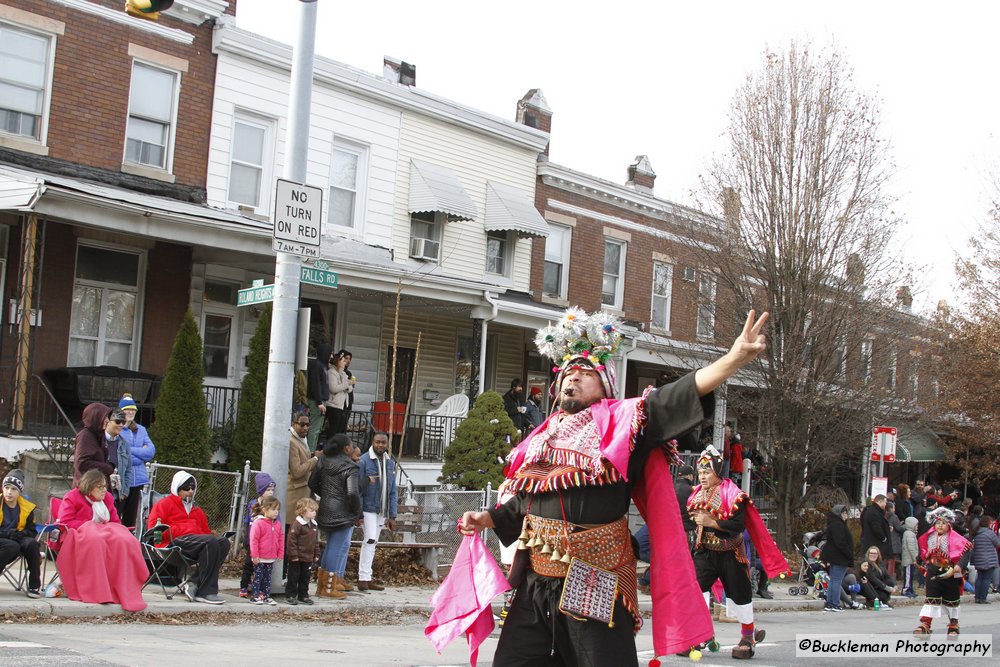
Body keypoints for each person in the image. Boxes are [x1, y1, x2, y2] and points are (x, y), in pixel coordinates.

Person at [458, 308, 771, 664]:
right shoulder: (542, 436)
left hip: (594, 575)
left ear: (604, 384)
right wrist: (489, 518)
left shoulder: (624, 424)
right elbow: (529, 500)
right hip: (537, 578)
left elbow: (674, 397)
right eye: (567, 375)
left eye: (583, 374)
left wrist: (732, 359)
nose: (571, 381)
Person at [686, 445, 785, 658]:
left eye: (707, 472)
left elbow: (738, 525)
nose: (702, 477)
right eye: (701, 472)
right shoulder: (696, 494)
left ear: (718, 472)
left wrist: (712, 521)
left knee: (739, 595)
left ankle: (748, 635)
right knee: (694, 590)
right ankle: (700, 633)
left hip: (731, 552)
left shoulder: (733, 495)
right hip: (705, 552)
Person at [56, 469, 148, 611]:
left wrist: (105, 529)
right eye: (100, 487)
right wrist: (91, 526)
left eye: (105, 486)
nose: (104, 490)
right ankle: (97, 589)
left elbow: (115, 522)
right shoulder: (72, 497)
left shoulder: (108, 498)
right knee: (96, 539)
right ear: (89, 485)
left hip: (105, 533)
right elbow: (65, 522)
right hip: (78, 535)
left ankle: (120, 588)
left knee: (125, 540)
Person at [147, 471, 231, 605]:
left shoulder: (197, 510)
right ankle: (206, 592)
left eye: (193, 488)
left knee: (223, 542)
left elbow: (206, 532)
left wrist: (201, 535)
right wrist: (184, 530)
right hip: (171, 543)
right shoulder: (164, 504)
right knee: (210, 541)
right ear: (177, 488)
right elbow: (153, 530)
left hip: (195, 544)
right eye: (186, 488)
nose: (190, 491)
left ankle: (194, 582)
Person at [310, 433, 361, 599]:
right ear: (346, 448)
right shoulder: (350, 466)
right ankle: (329, 588)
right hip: (342, 512)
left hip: (325, 508)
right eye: (352, 446)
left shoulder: (323, 461)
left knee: (330, 546)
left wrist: (326, 495)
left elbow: (312, 482)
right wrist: (357, 512)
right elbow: (353, 493)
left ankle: (322, 586)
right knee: (336, 547)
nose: (353, 448)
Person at [913, 507, 971, 638]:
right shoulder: (928, 537)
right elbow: (923, 552)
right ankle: (926, 624)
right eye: (938, 523)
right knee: (931, 598)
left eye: (943, 523)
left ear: (949, 525)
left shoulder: (956, 538)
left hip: (951, 572)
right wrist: (919, 561)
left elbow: (965, 552)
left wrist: (959, 565)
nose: (940, 525)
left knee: (952, 600)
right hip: (933, 571)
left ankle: (953, 625)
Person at [357, 431, 397, 591]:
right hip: (368, 507)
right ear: (372, 442)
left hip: (383, 509)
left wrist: (392, 515)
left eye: (383, 442)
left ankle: (367, 577)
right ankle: (362, 578)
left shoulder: (390, 462)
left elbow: (392, 489)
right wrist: (358, 512)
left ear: (387, 444)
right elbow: (359, 488)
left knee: (374, 543)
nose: (380, 445)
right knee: (370, 540)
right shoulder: (364, 461)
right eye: (377, 442)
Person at [0, 469, 41, 599]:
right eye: (6, 488)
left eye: (14, 489)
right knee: (12, 546)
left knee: (32, 544)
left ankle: (34, 585)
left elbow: (32, 531)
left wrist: (21, 534)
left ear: (20, 492)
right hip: (3, 540)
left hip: (17, 538)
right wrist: (7, 534)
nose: (9, 492)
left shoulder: (26, 508)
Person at [118, 393, 155, 530]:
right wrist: (140, 452)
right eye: (128, 409)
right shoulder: (118, 429)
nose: (131, 412)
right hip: (122, 481)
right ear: (121, 411)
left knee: (130, 519)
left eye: (133, 409)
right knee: (116, 515)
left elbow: (150, 452)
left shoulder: (141, 429)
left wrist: (129, 450)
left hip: (138, 481)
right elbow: (120, 456)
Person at [239, 472, 275, 599]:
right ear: (261, 490)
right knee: (249, 564)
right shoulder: (253, 504)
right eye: (268, 489)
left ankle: (259, 588)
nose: (271, 492)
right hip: (253, 541)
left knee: (262, 567)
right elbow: (247, 523)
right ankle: (244, 585)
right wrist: (246, 539)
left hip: (265, 543)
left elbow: (277, 523)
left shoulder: (273, 505)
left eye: (272, 490)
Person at [285, 497, 320, 605]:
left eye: (315, 511)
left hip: (308, 556)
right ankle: (291, 594)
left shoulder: (314, 525)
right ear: (303, 511)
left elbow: (315, 541)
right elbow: (292, 540)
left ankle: (303, 595)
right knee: (293, 576)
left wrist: (316, 553)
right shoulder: (297, 524)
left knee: (305, 577)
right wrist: (294, 555)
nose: (314, 513)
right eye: (312, 510)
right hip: (297, 557)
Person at [249, 496, 284, 606]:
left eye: (278, 510)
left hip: (271, 557)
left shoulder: (278, 524)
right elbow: (254, 540)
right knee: (258, 577)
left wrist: (280, 553)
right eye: (274, 509)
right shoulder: (258, 523)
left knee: (268, 578)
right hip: (259, 557)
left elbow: (281, 539)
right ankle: (255, 595)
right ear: (265, 510)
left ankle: (266, 596)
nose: (276, 512)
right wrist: (254, 555)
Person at [287, 410, 318, 529]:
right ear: (294, 424)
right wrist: (315, 459)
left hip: (304, 493)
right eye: (302, 424)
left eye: (308, 425)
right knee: (291, 533)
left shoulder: (301, 439)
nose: (305, 428)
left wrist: (311, 455)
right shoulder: (291, 441)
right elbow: (296, 471)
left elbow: (302, 459)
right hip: (294, 495)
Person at [820, 504, 853, 612]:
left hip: (835, 556)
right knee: (836, 581)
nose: (846, 515)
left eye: (846, 513)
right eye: (844, 513)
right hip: (839, 557)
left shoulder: (834, 524)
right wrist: (849, 553)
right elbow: (840, 542)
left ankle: (830, 603)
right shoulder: (838, 525)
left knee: (833, 580)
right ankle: (834, 603)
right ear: (839, 514)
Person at [306, 343, 332, 449]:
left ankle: (313, 448)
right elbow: (315, 385)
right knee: (314, 428)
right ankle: (310, 451)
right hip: (317, 401)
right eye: (330, 354)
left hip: (321, 401)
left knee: (318, 428)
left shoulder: (322, 366)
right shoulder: (317, 366)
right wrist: (319, 402)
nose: (331, 356)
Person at [969, 513, 1000, 604]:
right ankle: (983, 598)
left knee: (979, 578)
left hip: (978, 559)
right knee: (986, 579)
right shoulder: (990, 533)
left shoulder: (976, 532)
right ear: (988, 523)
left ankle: (977, 597)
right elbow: (997, 544)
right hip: (989, 560)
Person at [324, 351, 353, 436]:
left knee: (341, 430)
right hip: (333, 405)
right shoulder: (331, 372)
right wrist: (346, 384)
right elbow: (333, 388)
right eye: (343, 361)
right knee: (333, 430)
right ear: (338, 361)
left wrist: (347, 384)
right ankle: (331, 447)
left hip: (342, 405)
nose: (345, 362)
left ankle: (338, 448)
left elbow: (350, 389)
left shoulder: (343, 373)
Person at [861, 494, 892, 562]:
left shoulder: (873, 511)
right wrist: (884, 538)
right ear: (880, 501)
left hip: (874, 543)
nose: (886, 504)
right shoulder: (874, 512)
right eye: (885, 502)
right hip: (875, 544)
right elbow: (876, 527)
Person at [901, 516, 919, 598]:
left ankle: (910, 588)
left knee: (910, 575)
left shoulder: (911, 534)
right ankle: (906, 589)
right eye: (916, 525)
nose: (917, 527)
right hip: (909, 560)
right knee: (908, 575)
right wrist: (914, 558)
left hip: (910, 559)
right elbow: (911, 548)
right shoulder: (909, 534)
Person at [337, 349, 355, 429]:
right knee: (339, 424)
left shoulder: (349, 373)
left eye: (350, 359)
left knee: (344, 423)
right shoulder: (337, 371)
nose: (348, 361)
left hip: (349, 400)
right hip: (340, 401)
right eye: (346, 358)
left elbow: (350, 387)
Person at [886, 500, 904, 578]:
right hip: (893, 542)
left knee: (885, 561)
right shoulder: (894, 516)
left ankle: (884, 576)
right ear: (891, 508)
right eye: (893, 507)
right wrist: (903, 525)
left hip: (886, 542)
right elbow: (899, 528)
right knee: (891, 562)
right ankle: (889, 577)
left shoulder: (883, 516)